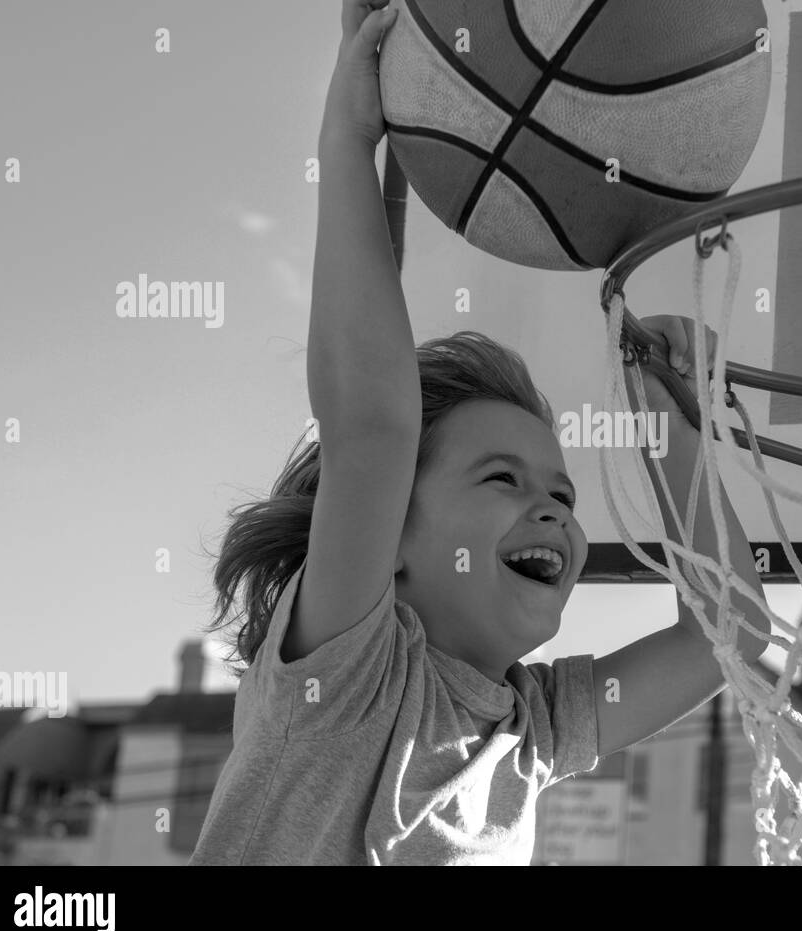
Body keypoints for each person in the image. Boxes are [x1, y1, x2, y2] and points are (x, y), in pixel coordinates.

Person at [190, 0, 769, 865]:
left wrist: (669, 410)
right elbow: (373, 428)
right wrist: (352, 146)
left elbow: (730, 631)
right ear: (390, 541)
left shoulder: (531, 732)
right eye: (503, 479)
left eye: (562, 494)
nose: (552, 511)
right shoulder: (349, 681)